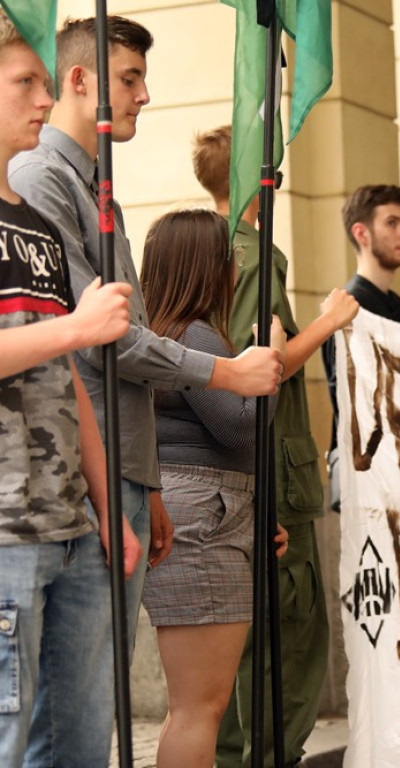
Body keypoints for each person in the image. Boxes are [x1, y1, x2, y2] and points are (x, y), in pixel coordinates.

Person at [8, 16, 283, 659]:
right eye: (129, 79)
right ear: (80, 81)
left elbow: (115, 338)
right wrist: (226, 373)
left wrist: (148, 482)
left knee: (92, 703)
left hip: (119, 468)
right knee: (61, 717)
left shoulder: (91, 181)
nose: (144, 96)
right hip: (69, 472)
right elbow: (97, 341)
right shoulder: (42, 175)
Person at [190, 126, 360, 766]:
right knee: (288, 635)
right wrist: (328, 321)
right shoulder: (250, 253)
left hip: (255, 462)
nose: (278, 184)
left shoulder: (221, 247)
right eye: (273, 173)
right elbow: (261, 365)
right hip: (271, 467)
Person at [0, 15, 142, 764]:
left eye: (48, 86)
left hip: (74, 525)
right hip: (4, 533)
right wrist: (77, 330)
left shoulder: (37, 227)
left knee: (83, 745)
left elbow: (69, 384)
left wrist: (105, 501)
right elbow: (74, 342)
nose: (46, 102)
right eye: (26, 83)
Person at [138, 209, 293, 767]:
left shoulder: (170, 330)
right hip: (203, 510)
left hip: (204, 504)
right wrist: (269, 361)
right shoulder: (194, 332)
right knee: (200, 707)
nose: (238, 268)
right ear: (208, 265)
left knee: (199, 704)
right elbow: (240, 429)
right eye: (233, 257)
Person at [321, 184, 400, 507]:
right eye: (392, 223)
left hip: (398, 472)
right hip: (369, 478)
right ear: (362, 233)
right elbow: (347, 396)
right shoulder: (349, 306)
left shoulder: (394, 304)